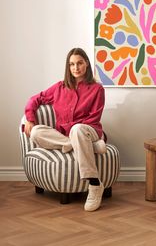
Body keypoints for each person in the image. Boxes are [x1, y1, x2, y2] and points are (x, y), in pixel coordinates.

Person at [24, 47, 106, 212]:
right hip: (65, 136)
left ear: (87, 64)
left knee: (77, 130)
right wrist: (30, 119)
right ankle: (80, 145)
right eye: (72, 64)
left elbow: (94, 117)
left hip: (89, 130)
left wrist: (74, 129)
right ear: (68, 67)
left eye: (80, 63)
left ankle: (95, 184)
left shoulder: (97, 89)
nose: (76, 68)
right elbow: (35, 99)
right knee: (36, 132)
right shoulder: (59, 87)